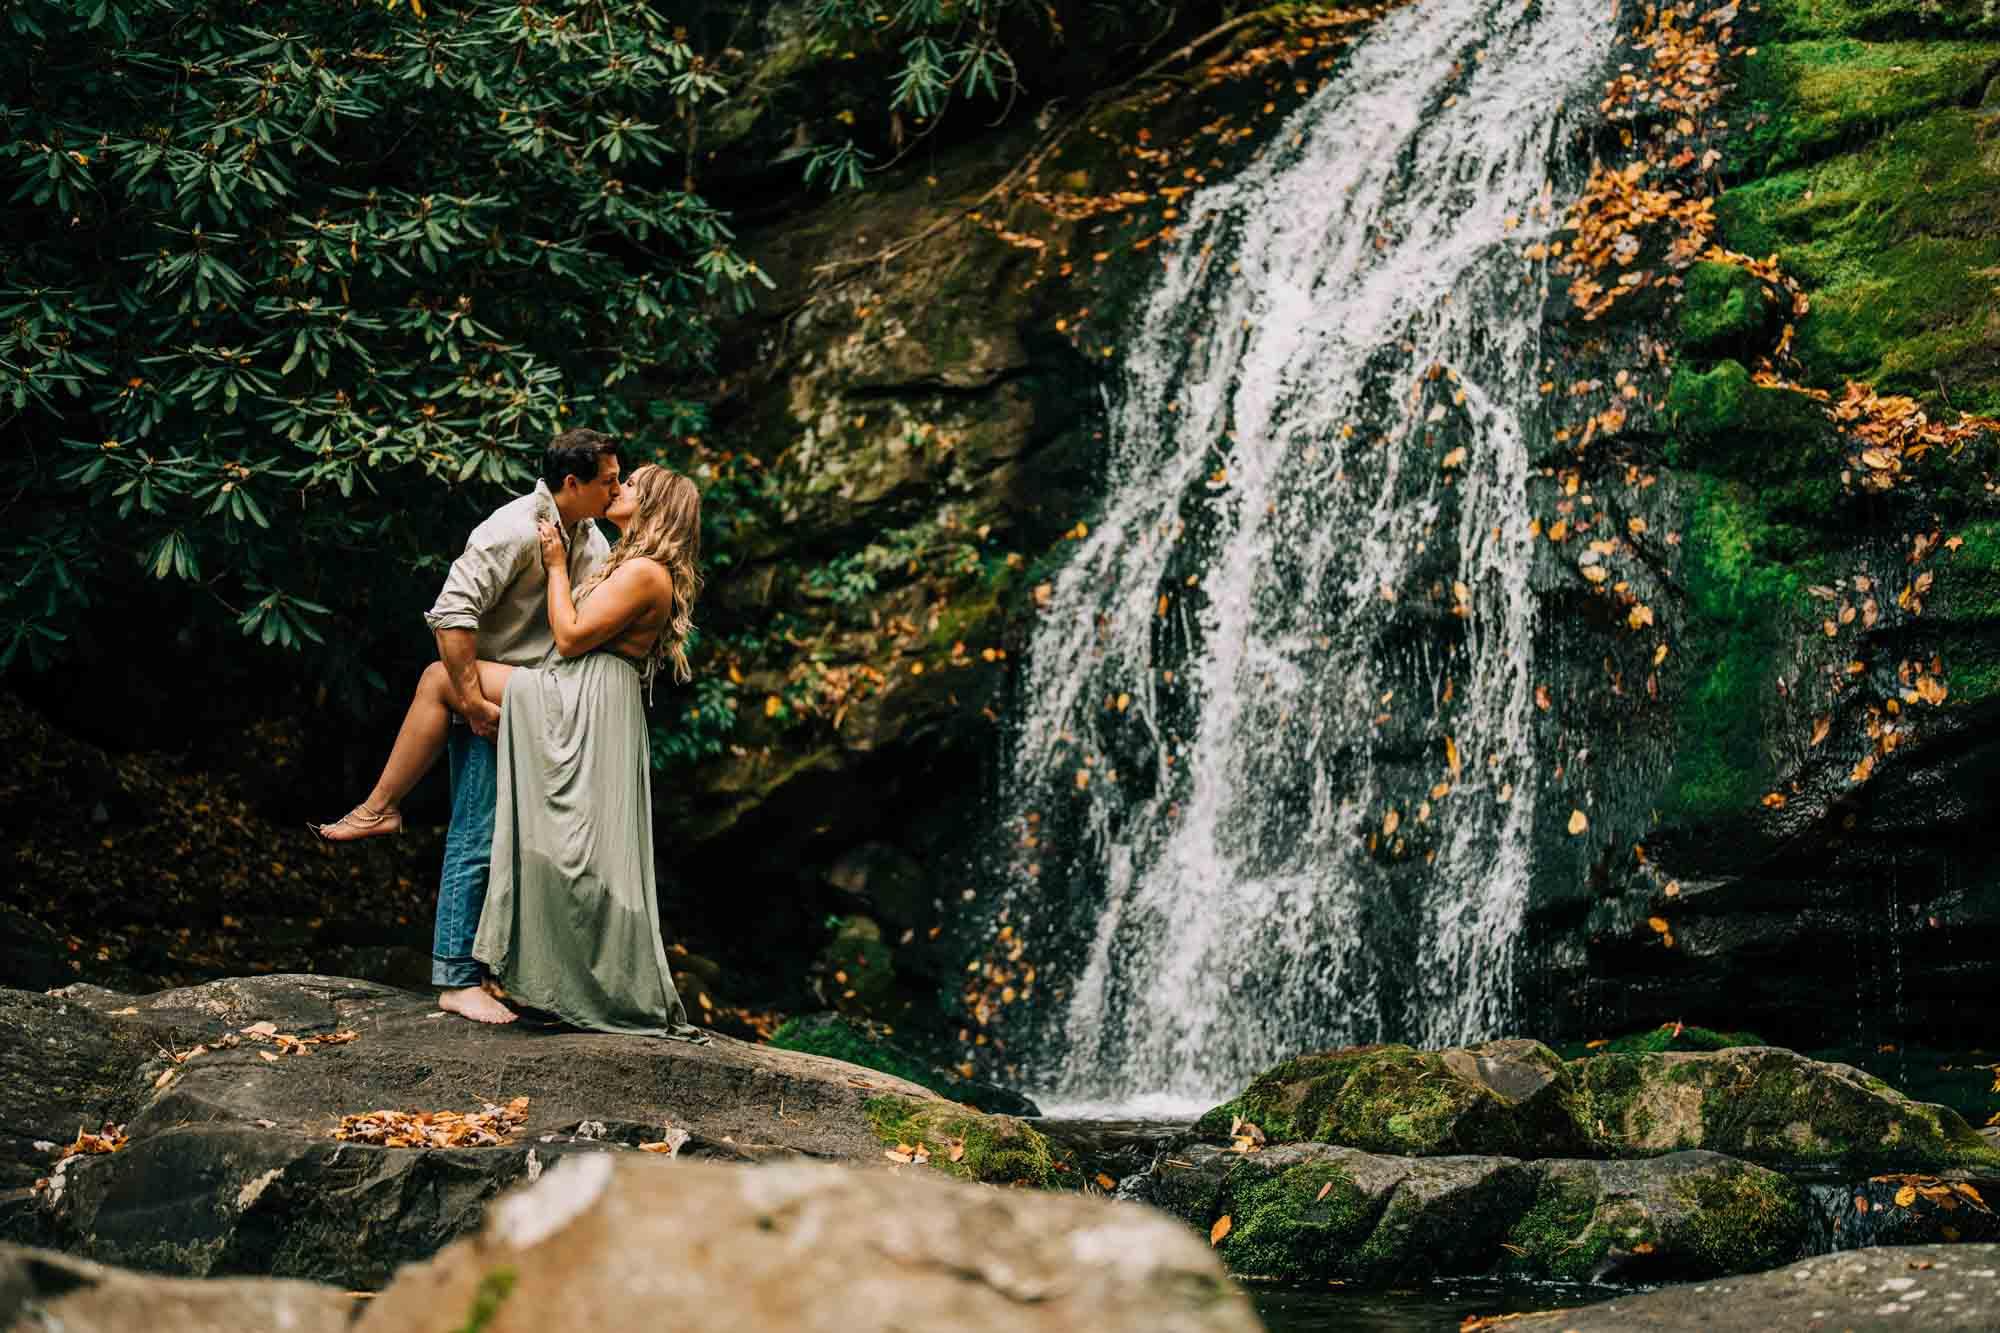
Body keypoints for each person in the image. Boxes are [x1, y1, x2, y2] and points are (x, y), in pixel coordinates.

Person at [313, 429, 621, 1026]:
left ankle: (501, 973)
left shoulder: (585, 533)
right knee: (478, 835)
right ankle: (455, 979)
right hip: (490, 704)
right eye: (608, 480)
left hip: (536, 705)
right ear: (572, 484)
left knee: (527, 846)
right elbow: (452, 614)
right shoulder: (509, 530)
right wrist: (475, 705)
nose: (617, 488)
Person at [474, 462, 708, 1041]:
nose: (618, 488)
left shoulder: (646, 572)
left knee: (582, 848)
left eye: (629, 485)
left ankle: (380, 806)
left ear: (651, 505)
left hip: (589, 697)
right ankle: (561, 978)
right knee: (575, 845)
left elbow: (572, 635)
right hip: (589, 694)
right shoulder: (628, 561)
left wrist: (556, 567)